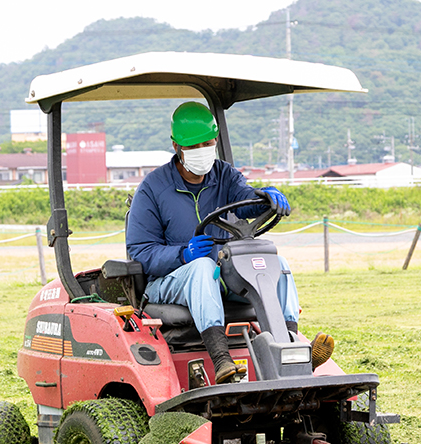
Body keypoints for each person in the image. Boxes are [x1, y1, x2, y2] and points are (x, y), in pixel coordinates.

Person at [126, 101, 334, 383]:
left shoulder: (224, 174)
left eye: (208, 143)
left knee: (277, 265)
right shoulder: (152, 189)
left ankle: (292, 350)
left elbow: (244, 200)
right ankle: (222, 360)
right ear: (177, 147)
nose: (203, 151)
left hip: (220, 274)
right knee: (200, 267)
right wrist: (182, 255)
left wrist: (264, 198)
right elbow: (140, 253)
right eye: (194, 146)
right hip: (170, 281)